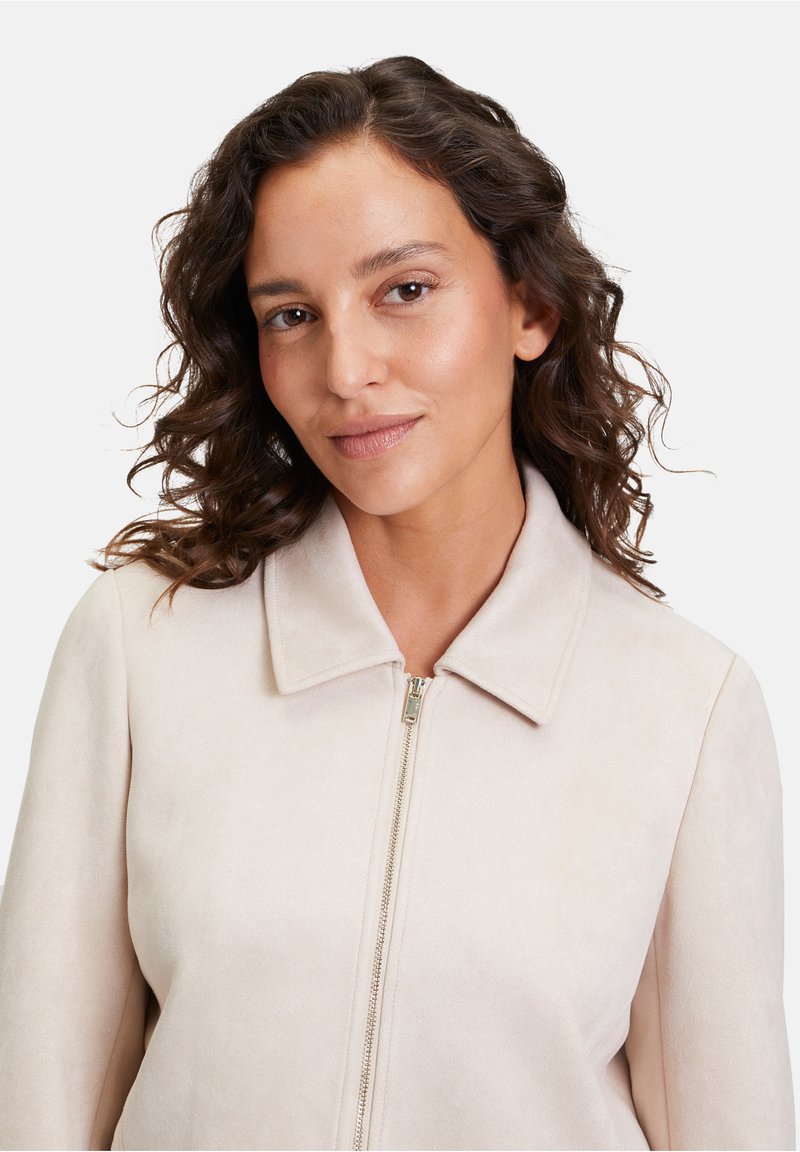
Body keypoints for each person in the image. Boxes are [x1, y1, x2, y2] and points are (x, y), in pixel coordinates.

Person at [0, 54, 793, 1152]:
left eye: (404, 291)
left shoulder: (685, 707)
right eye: (291, 315)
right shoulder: (141, 644)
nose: (346, 368)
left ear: (531, 305)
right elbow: (38, 1102)